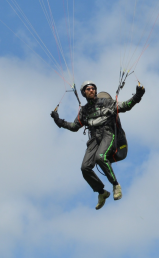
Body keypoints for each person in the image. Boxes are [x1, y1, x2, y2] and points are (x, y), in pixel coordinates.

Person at [51, 80, 145, 209]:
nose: (91, 90)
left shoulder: (107, 103)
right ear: (84, 93)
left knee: (100, 157)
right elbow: (74, 126)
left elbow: (125, 106)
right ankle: (101, 192)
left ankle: (116, 185)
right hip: (94, 139)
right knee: (85, 168)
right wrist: (58, 120)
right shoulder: (84, 111)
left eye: (93, 88)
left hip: (108, 134)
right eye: (88, 89)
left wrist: (138, 95)